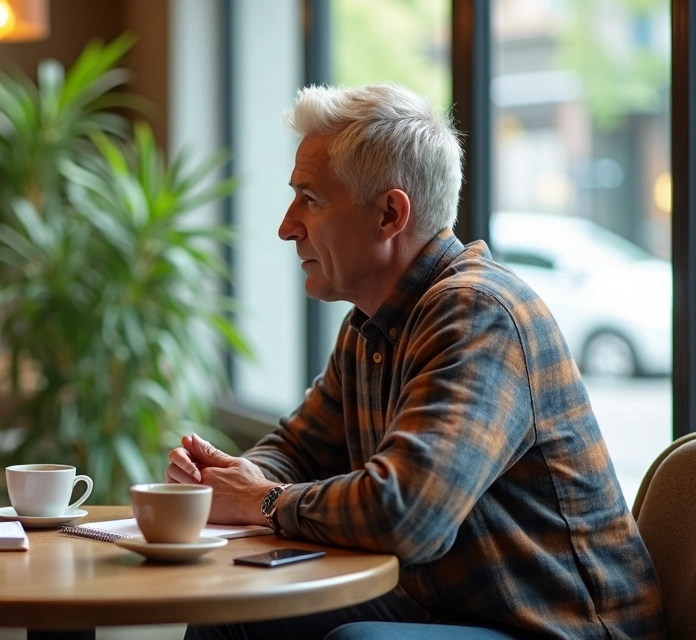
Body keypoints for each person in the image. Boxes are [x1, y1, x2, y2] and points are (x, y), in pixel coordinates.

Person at [167, 84, 666, 640]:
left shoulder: (479, 313)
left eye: (310, 198)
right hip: (450, 610)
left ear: (389, 214)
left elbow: (406, 517)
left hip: (559, 629)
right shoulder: (370, 325)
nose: (287, 226)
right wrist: (234, 478)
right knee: (236, 609)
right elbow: (300, 448)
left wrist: (261, 500)